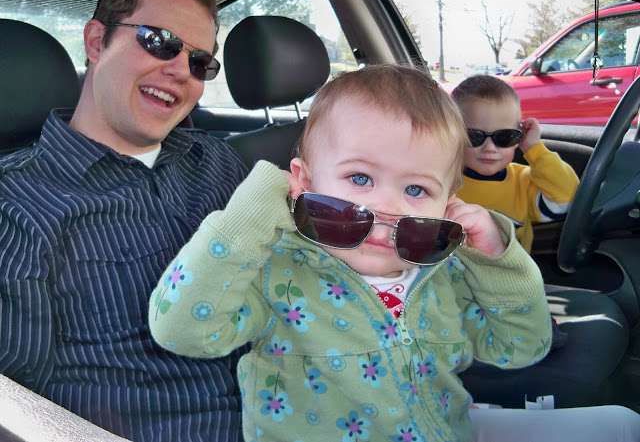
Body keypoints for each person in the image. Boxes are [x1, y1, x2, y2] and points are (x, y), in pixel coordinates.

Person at [149, 64, 556, 442]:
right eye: (360, 178)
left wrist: (497, 260)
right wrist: (248, 217)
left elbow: (523, 347)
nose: (388, 207)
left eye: (416, 189)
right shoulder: (279, 273)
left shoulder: (446, 274)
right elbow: (182, 331)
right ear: (306, 183)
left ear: (447, 204)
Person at [0, 0, 249, 442]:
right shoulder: (14, 205)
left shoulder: (217, 160)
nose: (181, 70)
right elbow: (14, 411)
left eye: (200, 62)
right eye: (160, 42)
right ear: (97, 42)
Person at [452, 74, 579, 253]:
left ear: (519, 137)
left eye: (505, 137)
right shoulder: (443, 181)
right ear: (453, 134)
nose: (490, 148)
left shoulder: (524, 181)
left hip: (508, 271)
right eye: (475, 136)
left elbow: (567, 199)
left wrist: (534, 149)